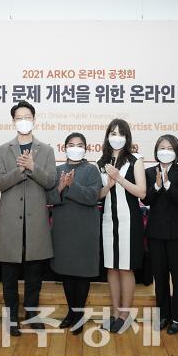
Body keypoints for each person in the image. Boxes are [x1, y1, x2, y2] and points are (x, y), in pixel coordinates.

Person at [0, 101, 56, 336]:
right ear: (13, 121)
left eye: (27, 117)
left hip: (35, 221)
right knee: (9, 274)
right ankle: (11, 318)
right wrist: (19, 170)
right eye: (19, 117)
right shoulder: (2, 150)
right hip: (10, 221)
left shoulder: (46, 150)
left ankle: (32, 314)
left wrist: (32, 166)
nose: (23, 121)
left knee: (34, 274)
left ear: (34, 119)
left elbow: (50, 181)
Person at [46, 132, 102, 335]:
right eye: (71, 144)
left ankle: (78, 316)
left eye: (79, 145)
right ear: (64, 148)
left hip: (85, 229)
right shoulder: (57, 170)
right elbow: (49, 198)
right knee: (66, 272)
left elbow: (92, 196)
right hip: (63, 229)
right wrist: (60, 187)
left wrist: (71, 186)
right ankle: (71, 312)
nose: (75, 148)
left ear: (85, 149)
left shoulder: (91, 170)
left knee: (82, 273)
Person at [97, 119, 146, 333]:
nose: (116, 137)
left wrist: (119, 178)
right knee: (111, 268)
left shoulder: (136, 160)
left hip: (129, 220)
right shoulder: (100, 162)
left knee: (125, 268)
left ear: (127, 137)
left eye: (121, 133)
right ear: (107, 136)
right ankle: (115, 312)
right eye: (113, 133)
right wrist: (108, 185)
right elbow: (98, 195)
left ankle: (125, 314)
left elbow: (142, 192)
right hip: (108, 219)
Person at [141, 134, 178, 335]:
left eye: (170, 148)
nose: (165, 151)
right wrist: (156, 186)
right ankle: (163, 315)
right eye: (162, 148)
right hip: (156, 233)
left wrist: (168, 183)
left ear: (177, 152)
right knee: (160, 277)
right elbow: (146, 200)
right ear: (156, 151)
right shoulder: (148, 172)